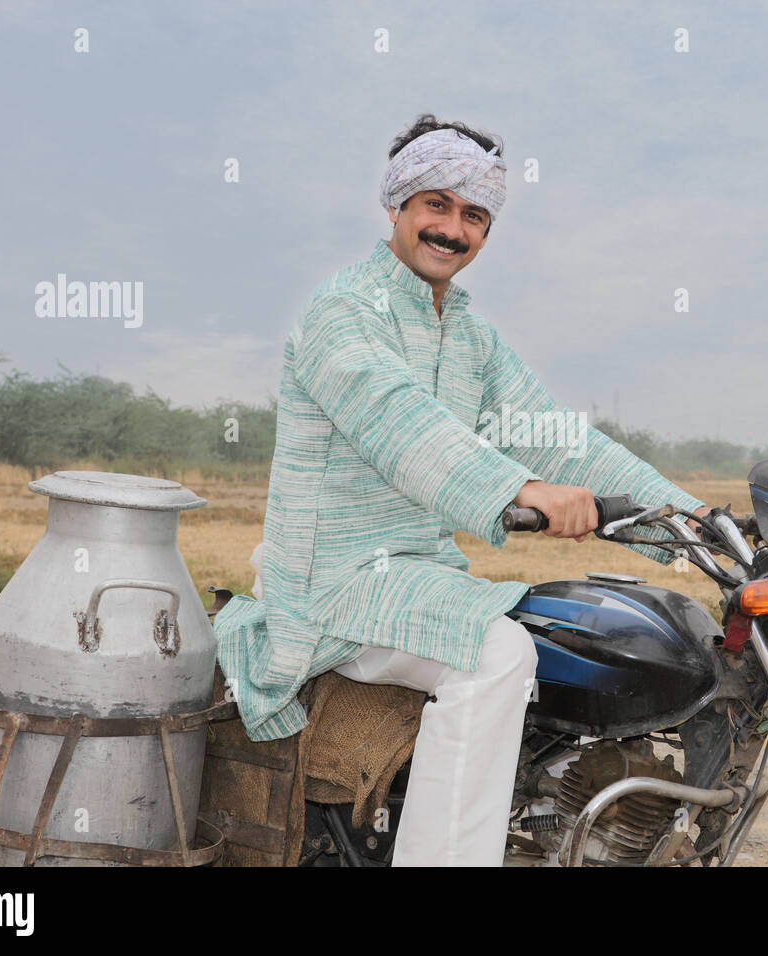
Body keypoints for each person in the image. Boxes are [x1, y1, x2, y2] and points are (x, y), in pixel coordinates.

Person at [214, 114, 710, 866]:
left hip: (415, 578)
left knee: (569, 637)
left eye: (472, 215)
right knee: (498, 653)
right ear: (397, 206)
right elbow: (405, 429)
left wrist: (689, 519)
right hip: (334, 583)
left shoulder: (469, 336)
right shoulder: (342, 313)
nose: (451, 229)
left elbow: (554, 432)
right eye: (435, 205)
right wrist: (525, 490)